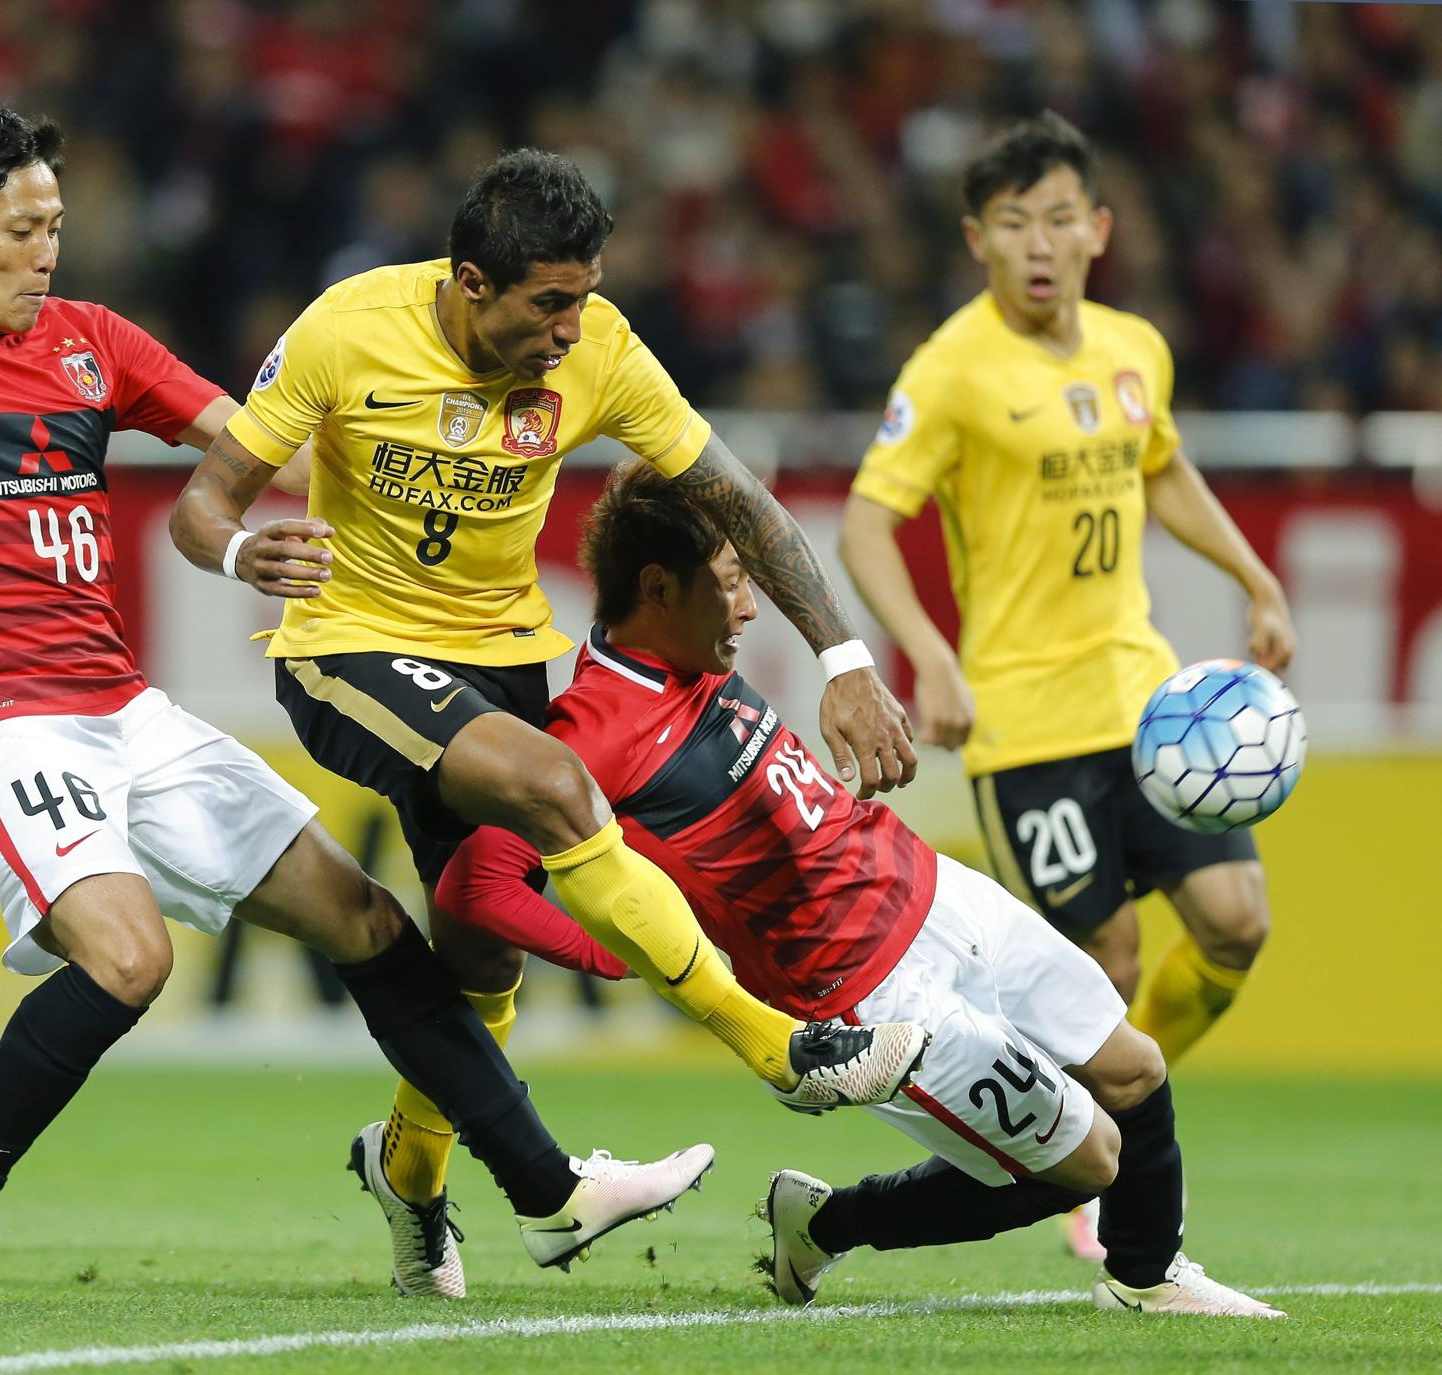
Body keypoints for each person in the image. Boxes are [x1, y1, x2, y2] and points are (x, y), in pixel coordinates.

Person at [0, 104, 723, 1310]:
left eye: (56, 226)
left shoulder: (94, 342)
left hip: (125, 711)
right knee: (130, 953)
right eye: (19, 229)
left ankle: (548, 1192)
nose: (46, 251)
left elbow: (260, 441)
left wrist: (337, 496)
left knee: (368, 922)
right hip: (1, 719)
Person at [170, 149, 926, 1297]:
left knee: (478, 950)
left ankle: (410, 1177)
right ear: (470, 282)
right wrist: (239, 551)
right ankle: (779, 1050)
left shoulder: (605, 350)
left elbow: (740, 503)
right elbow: (201, 503)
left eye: (585, 295)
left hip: (505, 660)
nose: (574, 328)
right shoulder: (345, 329)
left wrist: (847, 656)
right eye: (550, 303)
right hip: (349, 650)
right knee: (559, 791)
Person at [438, 461, 1282, 1317]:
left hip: (934, 888)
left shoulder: (691, 652)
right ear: (657, 586)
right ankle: (829, 1222)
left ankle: (1148, 1275)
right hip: (869, 994)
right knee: (1090, 1157)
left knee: (1134, 1069)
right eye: (731, 584)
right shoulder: (591, 736)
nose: (751, 606)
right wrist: (641, 958)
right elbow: (474, 890)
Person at [837, 112, 1298, 1259]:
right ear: (976, 239)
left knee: (1237, 927)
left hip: (1149, 711)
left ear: (1098, 228)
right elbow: (862, 522)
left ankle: (1112, 1122)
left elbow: (1166, 464)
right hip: (1025, 724)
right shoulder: (949, 371)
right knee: (1108, 968)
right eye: (1011, 224)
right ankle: (1091, 1159)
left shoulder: (1136, 346)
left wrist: (1253, 574)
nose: (1037, 244)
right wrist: (928, 655)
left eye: (1056, 220)